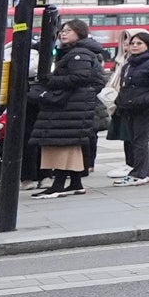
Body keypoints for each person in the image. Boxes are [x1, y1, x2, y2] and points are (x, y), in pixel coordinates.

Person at [30, 18, 113, 196]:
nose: (63, 33)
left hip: (70, 106)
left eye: (68, 30)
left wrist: (49, 80)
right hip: (74, 105)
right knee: (70, 144)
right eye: (62, 30)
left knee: (63, 143)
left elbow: (79, 78)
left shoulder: (79, 54)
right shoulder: (76, 52)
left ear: (80, 33)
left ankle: (58, 185)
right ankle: (75, 183)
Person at [108, 29, 149, 185]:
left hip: (145, 108)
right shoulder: (130, 64)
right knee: (134, 140)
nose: (135, 46)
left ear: (148, 45)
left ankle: (140, 173)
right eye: (133, 43)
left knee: (140, 140)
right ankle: (143, 171)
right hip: (130, 107)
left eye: (139, 43)